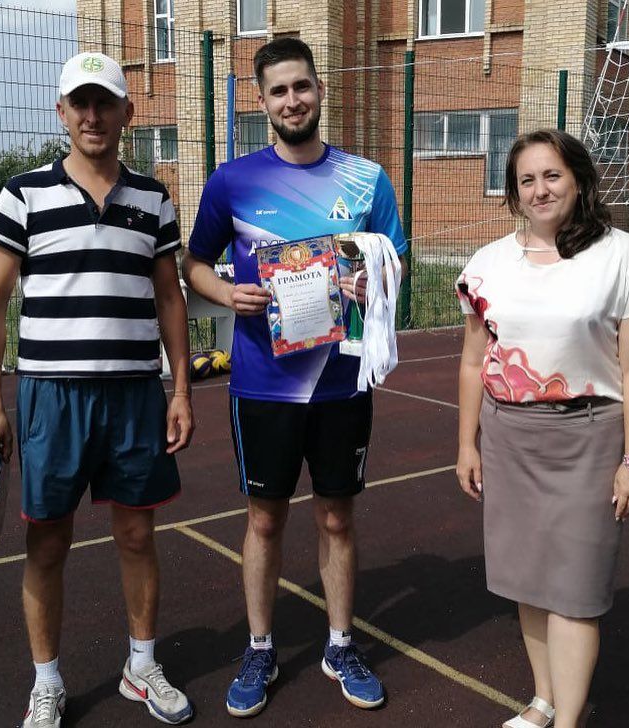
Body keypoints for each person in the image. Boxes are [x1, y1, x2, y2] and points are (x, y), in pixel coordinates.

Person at [182, 37, 407, 718]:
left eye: (301, 87)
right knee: (264, 518)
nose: (291, 100)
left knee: (337, 516)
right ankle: (259, 646)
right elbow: (192, 264)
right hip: (262, 384)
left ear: (319, 89)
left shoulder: (367, 179)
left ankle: (340, 643)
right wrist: (226, 296)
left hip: (341, 383)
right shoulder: (231, 181)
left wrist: (372, 282)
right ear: (261, 101)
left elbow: (398, 262)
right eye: (278, 91)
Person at [0, 52, 194, 728]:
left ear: (128, 113)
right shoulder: (23, 193)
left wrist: (180, 389)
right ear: (61, 111)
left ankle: (142, 665)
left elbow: (169, 299)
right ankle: (46, 682)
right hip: (52, 398)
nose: (93, 115)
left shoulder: (153, 198)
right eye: (81, 103)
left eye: (106, 103)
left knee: (137, 535)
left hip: (133, 397)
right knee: (47, 545)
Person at [455, 129, 629, 728]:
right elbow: (473, 361)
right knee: (529, 577)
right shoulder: (490, 262)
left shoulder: (620, 254)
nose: (540, 189)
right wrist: (466, 443)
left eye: (552, 175)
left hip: (590, 438)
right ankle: (545, 700)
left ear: (577, 179)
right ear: (513, 192)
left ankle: (569, 720)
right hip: (508, 436)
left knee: (574, 588)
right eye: (526, 179)